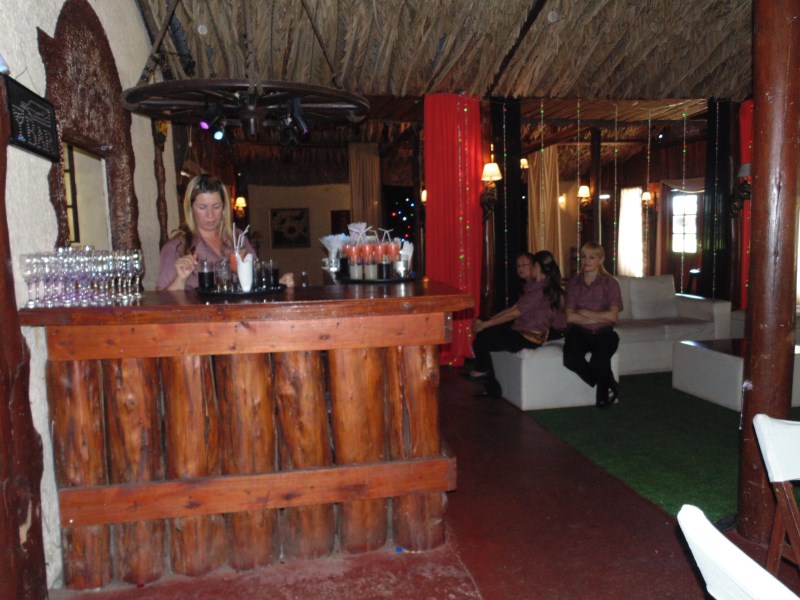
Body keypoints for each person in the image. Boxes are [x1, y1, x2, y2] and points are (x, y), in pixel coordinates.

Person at [156, 174, 293, 290]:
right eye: (202, 207)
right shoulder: (176, 247)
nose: (210, 215)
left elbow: (257, 283)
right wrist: (180, 279)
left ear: (224, 208)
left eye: (216, 207)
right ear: (191, 208)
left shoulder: (237, 238)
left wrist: (278, 285)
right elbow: (162, 302)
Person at [467, 250, 566, 398]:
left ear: (537, 267)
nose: (525, 268)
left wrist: (485, 325)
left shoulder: (541, 289)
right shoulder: (538, 286)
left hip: (529, 338)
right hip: (523, 333)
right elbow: (513, 309)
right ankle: (488, 379)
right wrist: (486, 322)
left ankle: (486, 376)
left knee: (484, 337)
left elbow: (514, 313)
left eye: (529, 265)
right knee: (482, 340)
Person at [563, 241, 622, 409]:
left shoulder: (610, 284)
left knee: (599, 361)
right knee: (570, 359)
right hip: (579, 332)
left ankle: (602, 398)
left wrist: (584, 312)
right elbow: (570, 317)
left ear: (601, 260)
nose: (586, 261)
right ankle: (607, 382)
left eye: (592, 257)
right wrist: (601, 317)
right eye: (584, 257)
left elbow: (613, 317)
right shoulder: (574, 283)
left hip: (605, 333)